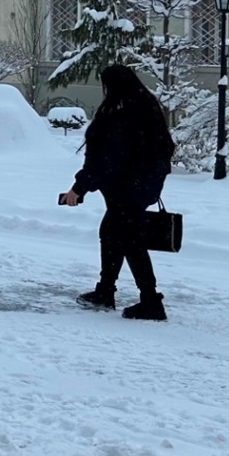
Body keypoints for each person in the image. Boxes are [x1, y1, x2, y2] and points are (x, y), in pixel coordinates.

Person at [59, 64, 177, 321]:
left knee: (129, 240)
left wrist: (78, 189)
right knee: (113, 234)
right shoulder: (145, 105)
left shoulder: (121, 112)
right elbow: (164, 148)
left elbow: (104, 159)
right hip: (140, 186)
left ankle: (149, 301)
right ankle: (107, 292)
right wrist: (151, 180)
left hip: (126, 188)